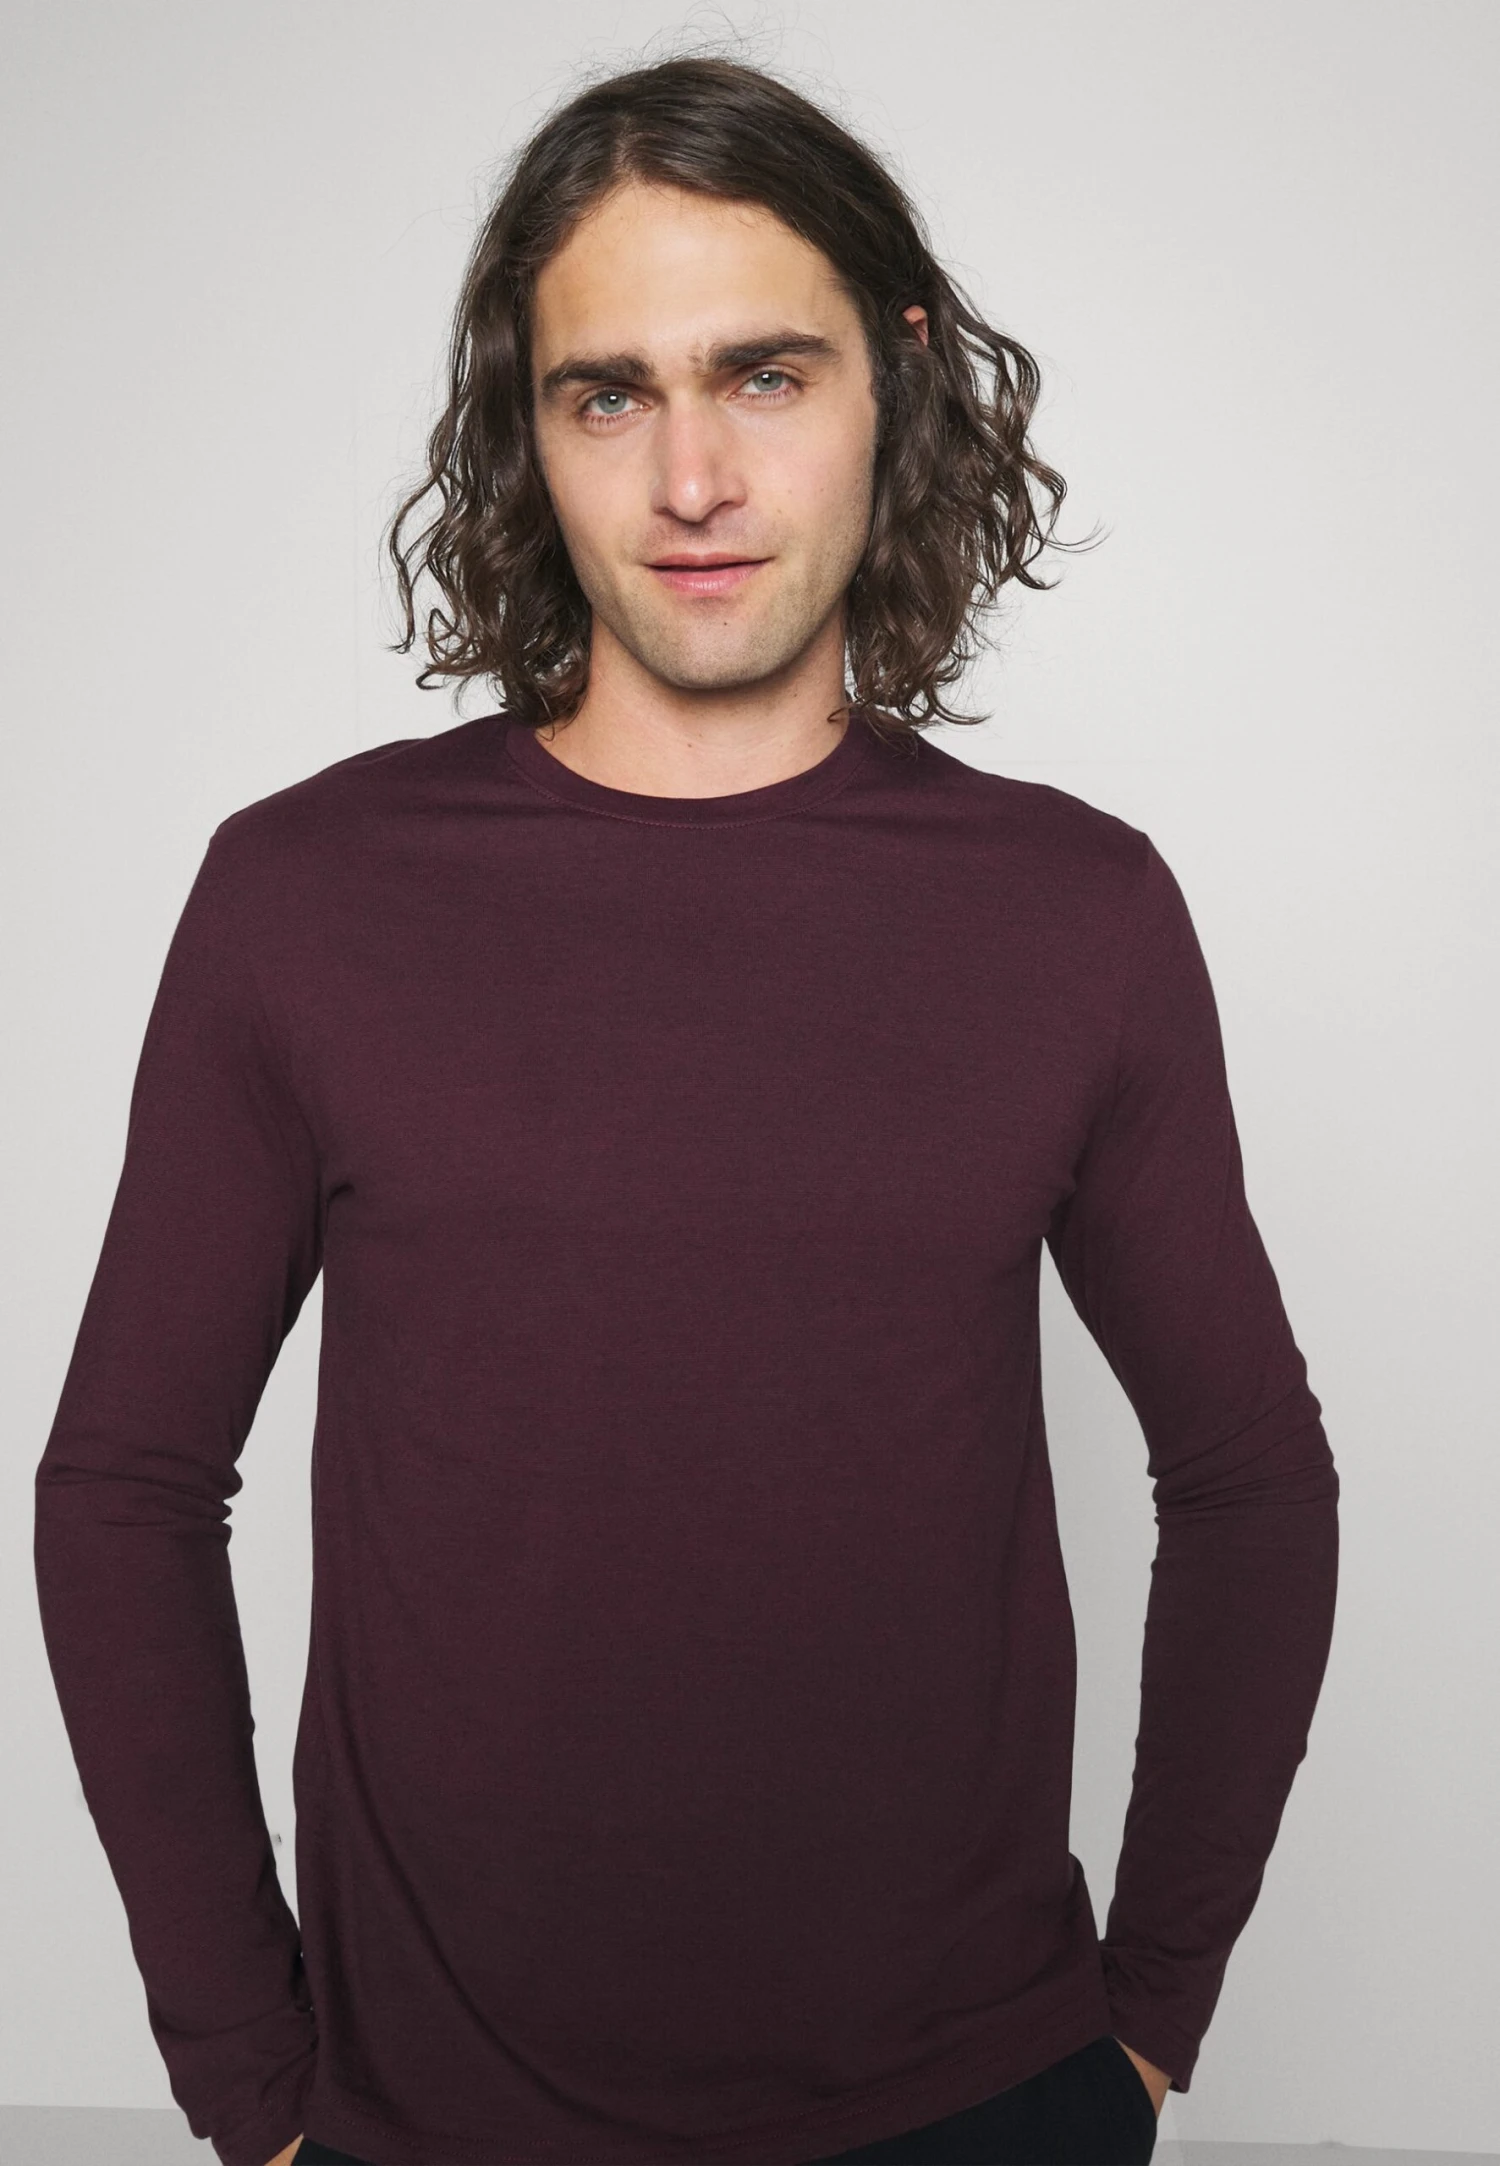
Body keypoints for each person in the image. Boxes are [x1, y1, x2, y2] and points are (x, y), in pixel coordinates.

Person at [33, 52, 1340, 2166]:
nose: (694, 478)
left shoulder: (1075, 912)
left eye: (765, 375)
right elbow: (125, 1488)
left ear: (895, 378)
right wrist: (249, 2091)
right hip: (423, 2123)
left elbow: (1252, 1477)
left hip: (975, 2104)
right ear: (526, 428)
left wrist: (1144, 2036)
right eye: (609, 395)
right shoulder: (305, 897)